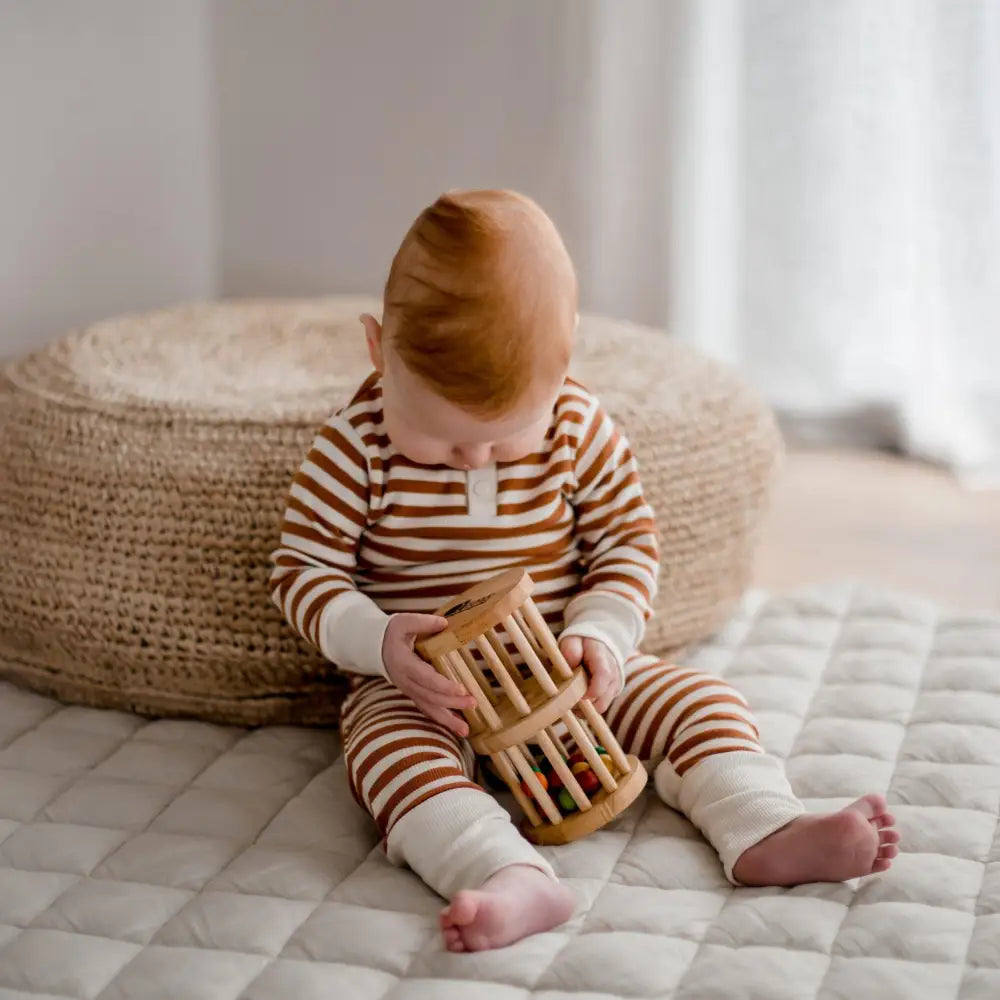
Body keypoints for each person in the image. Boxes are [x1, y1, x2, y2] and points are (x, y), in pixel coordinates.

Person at [270, 189, 899, 953]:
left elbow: (628, 543)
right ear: (377, 351)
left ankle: (763, 822)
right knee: (384, 759)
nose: (473, 458)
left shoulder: (577, 426)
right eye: (436, 438)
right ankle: (504, 872)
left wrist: (601, 635)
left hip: (567, 678)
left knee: (699, 697)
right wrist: (380, 644)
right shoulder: (355, 449)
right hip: (427, 696)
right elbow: (302, 572)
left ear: (565, 361)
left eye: (501, 443)